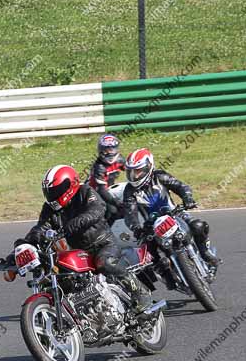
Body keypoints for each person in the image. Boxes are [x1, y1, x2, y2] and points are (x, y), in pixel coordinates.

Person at [18, 164, 152, 313]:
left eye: (56, 190)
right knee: (63, 276)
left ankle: (140, 294)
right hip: (79, 251)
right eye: (50, 191)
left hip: (103, 244)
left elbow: (97, 209)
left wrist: (72, 225)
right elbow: (41, 227)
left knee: (105, 262)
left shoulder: (85, 191)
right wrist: (23, 245)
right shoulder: (49, 208)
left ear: (71, 184)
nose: (53, 195)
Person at [122, 148, 218, 266]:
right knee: (149, 253)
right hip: (152, 225)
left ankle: (205, 253)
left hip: (174, 213)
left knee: (198, 226)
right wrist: (136, 228)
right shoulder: (129, 190)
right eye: (131, 172)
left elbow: (180, 186)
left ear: (149, 166)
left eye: (138, 171)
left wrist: (187, 198)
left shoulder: (159, 176)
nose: (134, 175)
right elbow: (129, 212)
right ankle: (169, 279)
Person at [88, 134, 126, 225]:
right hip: (94, 193)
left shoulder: (119, 160)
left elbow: (131, 170)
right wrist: (116, 202)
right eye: (107, 150)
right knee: (112, 211)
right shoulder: (99, 167)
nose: (110, 152)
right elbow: (101, 190)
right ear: (101, 151)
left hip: (109, 189)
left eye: (112, 149)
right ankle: (107, 231)